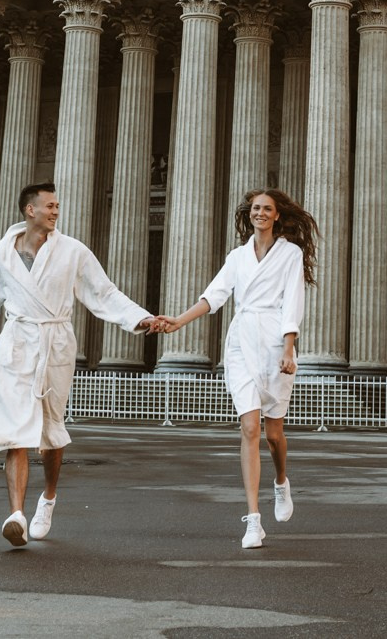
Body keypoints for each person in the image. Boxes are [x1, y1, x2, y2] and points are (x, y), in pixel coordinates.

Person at [0, 181, 156, 549]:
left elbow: (104, 293)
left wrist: (139, 318)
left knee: (50, 432)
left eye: (57, 206)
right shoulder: (1, 257)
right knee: (14, 433)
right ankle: (16, 515)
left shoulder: (72, 251)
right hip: (16, 346)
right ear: (29, 210)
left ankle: (47, 498)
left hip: (55, 345)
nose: (55, 211)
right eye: (49, 206)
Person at [153, 187, 315, 550]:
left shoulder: (290, 253)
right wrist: (179, 321)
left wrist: (289, 348)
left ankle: (281, 482)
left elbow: (293, 301)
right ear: (250, 213)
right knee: (249, 426)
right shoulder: (237, 257)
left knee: (274, 435)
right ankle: (253, 520)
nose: (260, 213)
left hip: (274, 343)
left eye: (267, 208)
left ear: (277, 215)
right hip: (242, 342)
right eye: (255, 208)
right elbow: (214, 295)